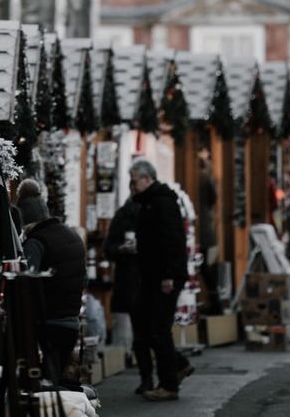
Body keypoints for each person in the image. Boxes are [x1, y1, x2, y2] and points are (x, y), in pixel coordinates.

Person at [130, 159, 192, 401]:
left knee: (158, 330)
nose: (132, 185)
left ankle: (169, 384)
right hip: (154, 276)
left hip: (164, 277)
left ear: (147, 178)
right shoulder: (149, 202)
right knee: (149, 327)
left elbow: (171, 240)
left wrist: (168, 274)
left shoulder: (162, 202)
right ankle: (178, 365)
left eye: (135, 180)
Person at [16, 178, 87, 383]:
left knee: (45, 383)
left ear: (27, 224)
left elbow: (27, 283)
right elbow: (84, 278)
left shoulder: (36, 242)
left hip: (47, 324)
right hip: (71, 322)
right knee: (59, 380)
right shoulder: (72, 235)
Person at [102, 185, 144, 388]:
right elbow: (108, 248)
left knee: (144, 323)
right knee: (126, 318)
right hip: (127, 275)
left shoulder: (152, 212)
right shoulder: (122, 215)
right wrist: (121, 249)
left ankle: (140, 362)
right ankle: (125, 356)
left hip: (143, 276)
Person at [198, 149, 223, 315]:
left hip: (200, 227)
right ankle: (215, 301)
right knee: (206, 266)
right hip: (205, 226)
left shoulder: (198, 178)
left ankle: (213, 302)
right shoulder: (206, 177)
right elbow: (214, 199)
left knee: (203, 266)